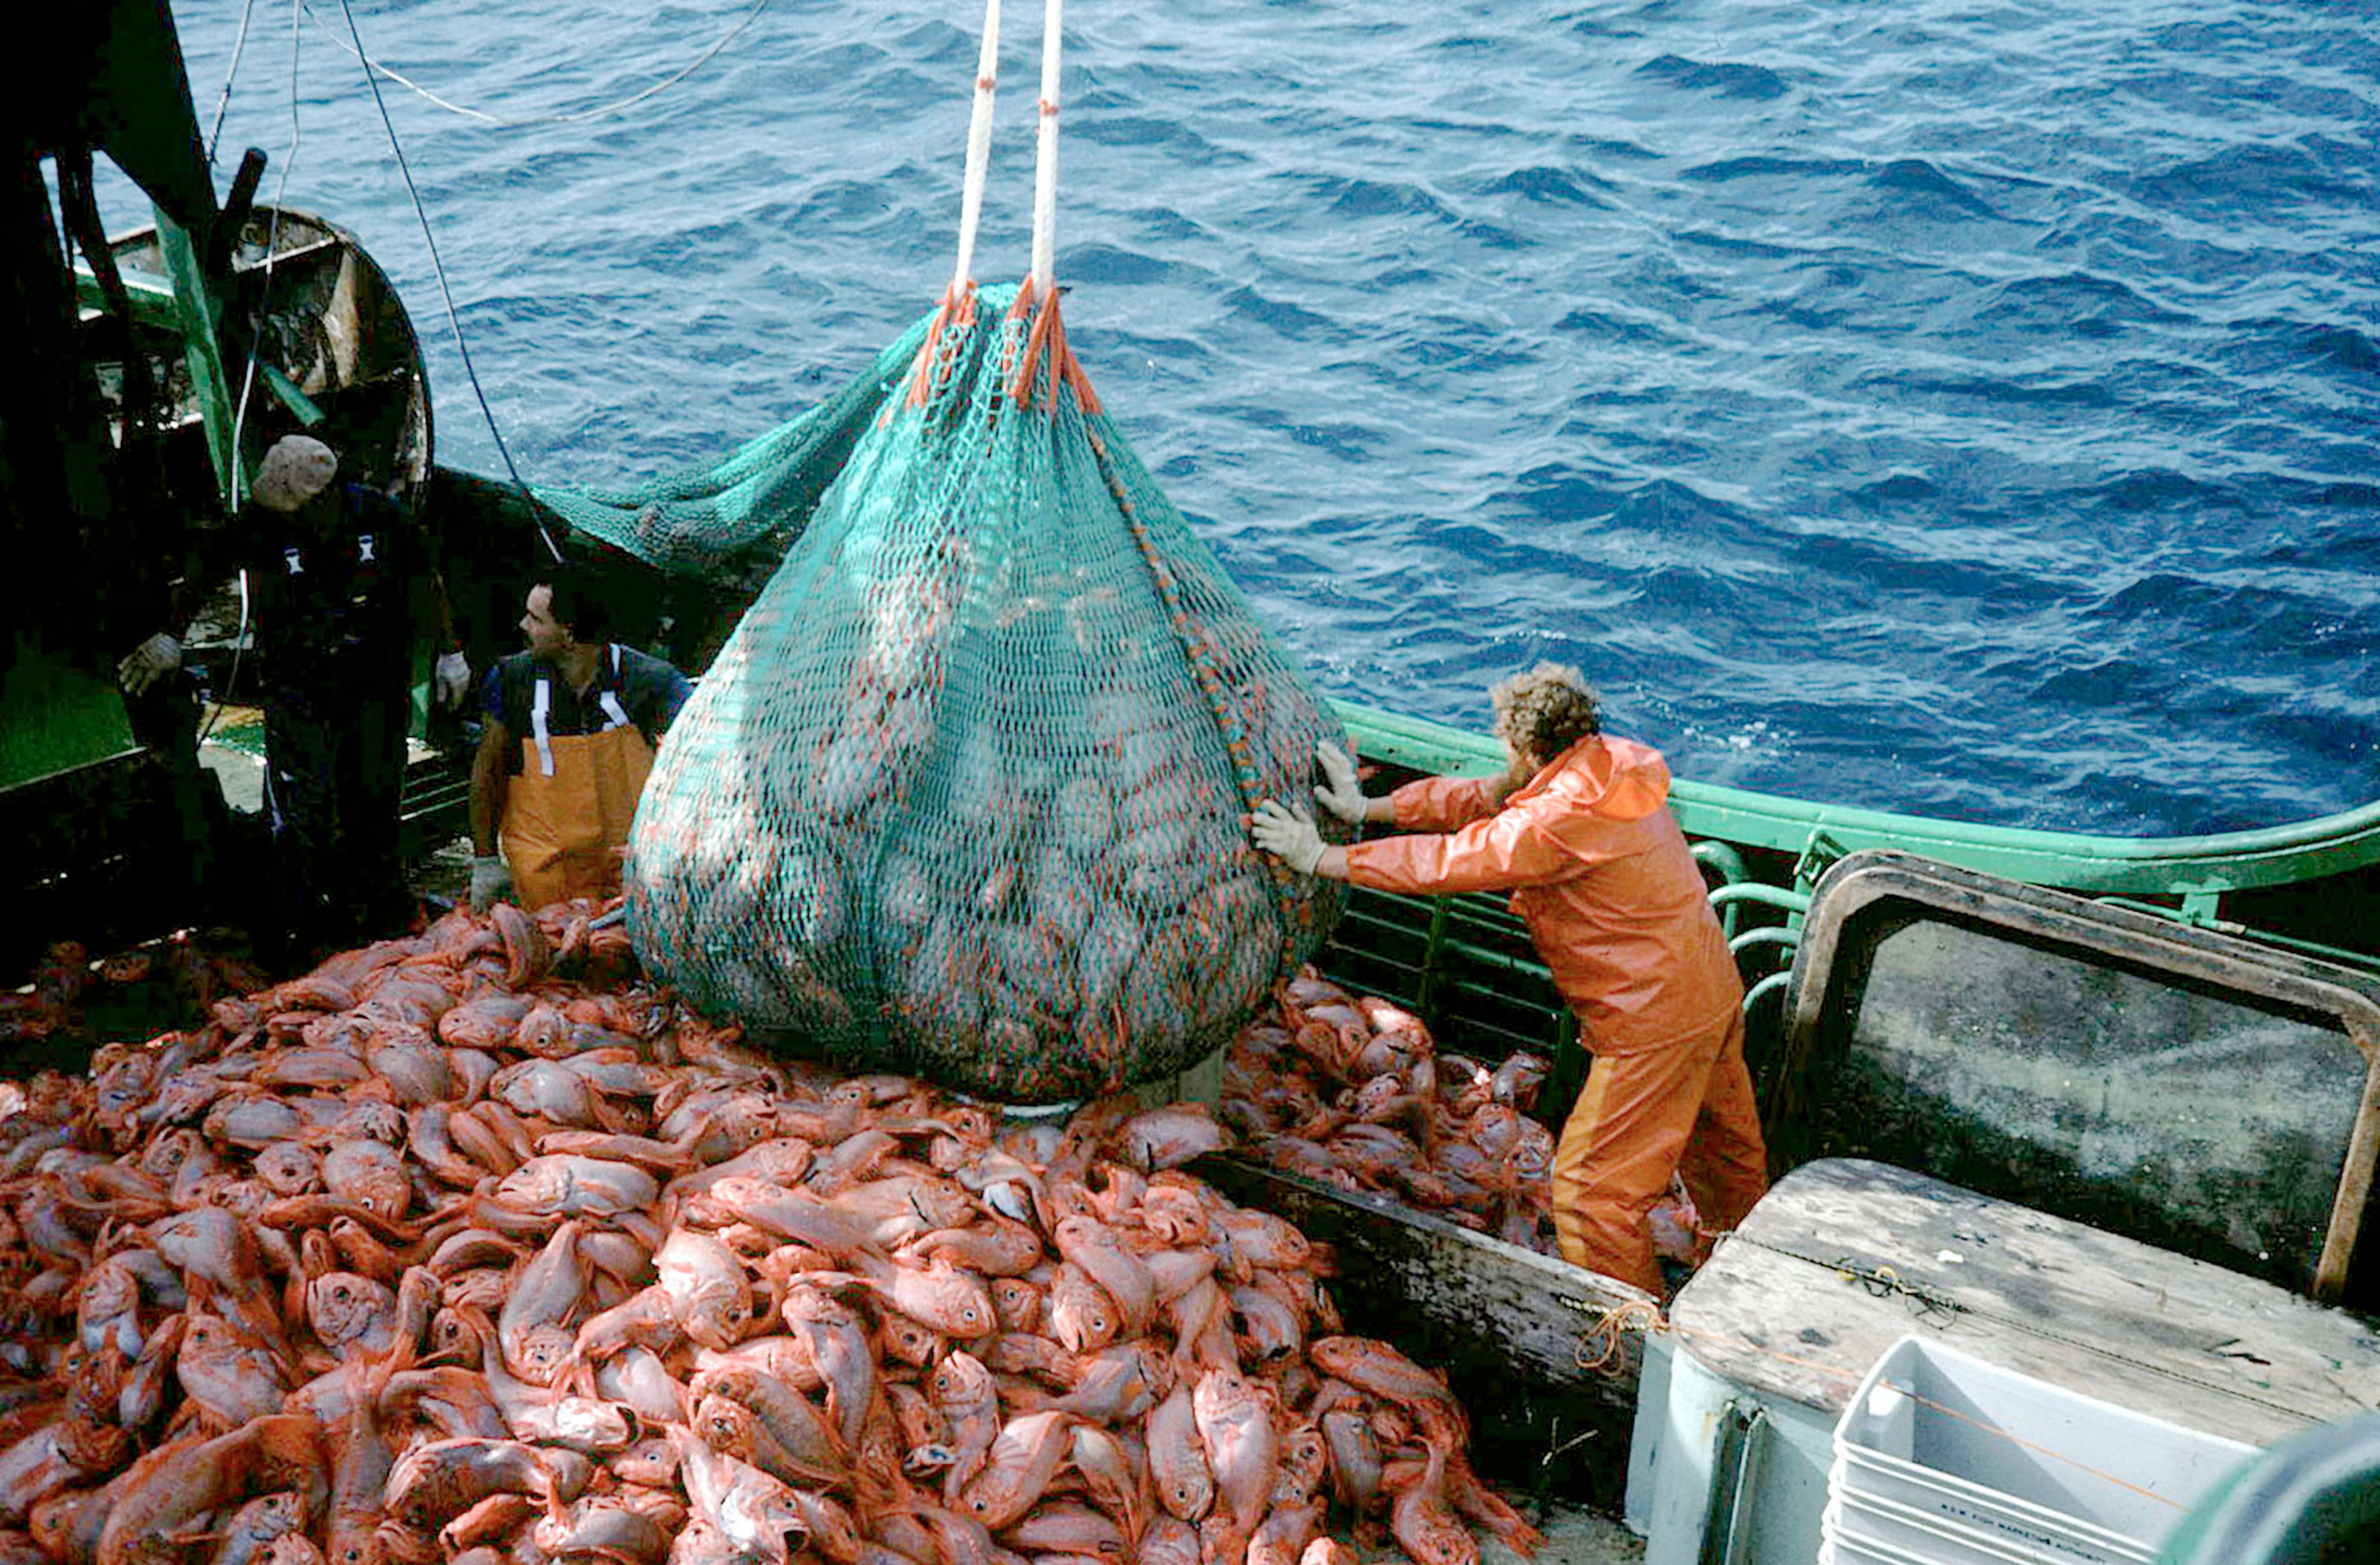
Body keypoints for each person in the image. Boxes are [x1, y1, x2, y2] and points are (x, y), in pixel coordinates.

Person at [1250, 662, 1768, 1295]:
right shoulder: (1609, 765)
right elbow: (1486, 796)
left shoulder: (1552, 821)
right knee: (1724, 1152)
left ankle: (1641, 1345)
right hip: (1712, 992)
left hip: (1652, 1023)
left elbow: (1449, 860)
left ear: (1525, 746)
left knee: (1586, 1196)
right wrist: (1371, 807)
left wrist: (1320, 857)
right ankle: (1748, 1276)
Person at [119, 433, 471, 966]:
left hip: (373, 684)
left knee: (373, 797)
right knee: (302, 812)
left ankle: (380, 911)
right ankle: (304, 927)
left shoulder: (381, 515)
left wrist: (451, 653)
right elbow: (206, 566)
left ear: (326, 496)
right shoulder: (262, 527)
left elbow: (429, 578)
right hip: (298, 689)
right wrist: (172, 633)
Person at [469, 559, 692, 912]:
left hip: (630, 874)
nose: (523, 625)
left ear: (569, 634)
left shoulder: (652, 682)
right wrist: (485, 861)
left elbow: (700, 756)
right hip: (545, 879)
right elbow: (487, 773)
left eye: (536, 619)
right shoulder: (511, 680)